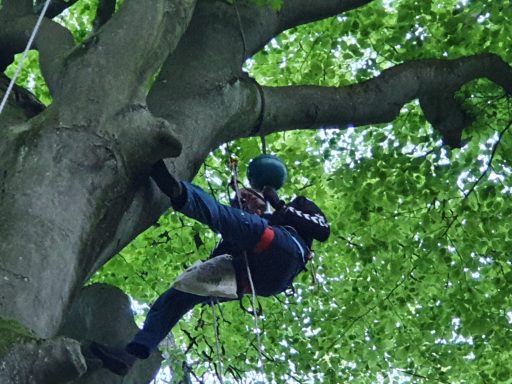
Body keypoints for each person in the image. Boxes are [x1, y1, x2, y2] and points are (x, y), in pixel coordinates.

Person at [91, 158, 330, 376]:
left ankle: (181, 193)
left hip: (285, 249)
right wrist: (240, 208)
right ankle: (132, 354)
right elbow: (223, 247)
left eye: (255, 201)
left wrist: (278, 205)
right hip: (255, 275)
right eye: (248, 202)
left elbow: (322, 230)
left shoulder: (298, 205)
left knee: (226, 217)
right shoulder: (247, 222)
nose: (252, 204)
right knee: (179, 294)